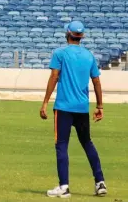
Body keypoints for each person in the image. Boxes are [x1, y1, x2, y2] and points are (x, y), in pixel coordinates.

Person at [39, 21, 107, 198]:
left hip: (63, 108)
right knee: (87, 143)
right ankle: (100, 182)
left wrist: (45, 102)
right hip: (82, 108)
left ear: (67, 34)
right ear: (81, 36)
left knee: (61, 145)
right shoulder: (89, 56)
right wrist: (99, 106)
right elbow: (97, 81)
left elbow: (54, 76)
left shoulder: (60, 53)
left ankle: (64, 186)